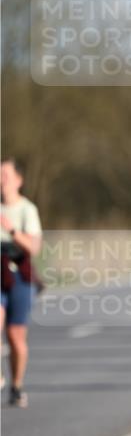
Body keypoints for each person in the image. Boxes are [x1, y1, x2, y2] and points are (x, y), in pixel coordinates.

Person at [1, 158, 43, 407]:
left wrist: (12, 231)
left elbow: (34, 247)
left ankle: (16, 386)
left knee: (16, 336)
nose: (1, 180)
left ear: (18, 180)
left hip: (19, 275)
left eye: (5, 175)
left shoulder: (27, 210)